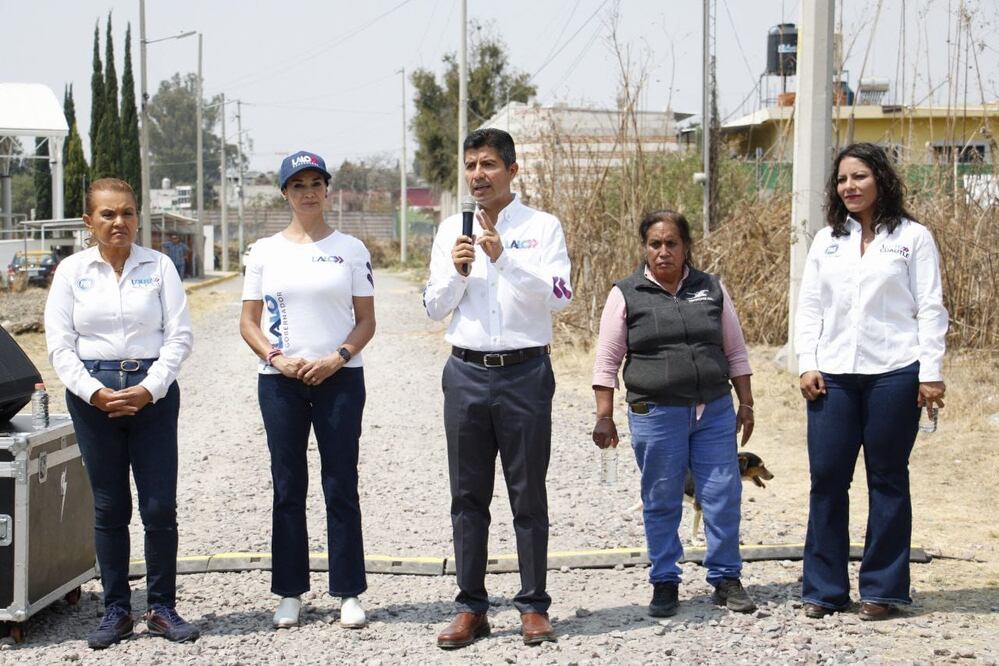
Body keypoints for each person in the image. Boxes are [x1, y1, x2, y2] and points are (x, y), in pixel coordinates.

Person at [424, 128, 572, 649]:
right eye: (470, 165)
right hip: (465, 372)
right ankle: (471, 607)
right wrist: (459, 270)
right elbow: (432, 307)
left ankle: (533, 605)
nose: (478, 175)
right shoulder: (449, 231)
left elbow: (560, 295)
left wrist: (505, 257)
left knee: (527, 493)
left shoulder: (542, 227)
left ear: (512, 170)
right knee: (467, 497)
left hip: (525, 374)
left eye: (488, 164)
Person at [794, 142, 947, 621]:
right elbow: (811, 307)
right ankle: (824, 589)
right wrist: (806, 362)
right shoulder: (826, 240)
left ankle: (883, 590)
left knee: (887, 480)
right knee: (827, 480)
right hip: (833, 376)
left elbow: (930, 306)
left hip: (895, 374)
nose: (849, 186)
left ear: (880, 179)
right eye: (842, 179)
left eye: (859, 176)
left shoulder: (913, 237)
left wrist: (931, 374)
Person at [44, 178, 198, 649]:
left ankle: (161, 607)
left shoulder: (160, 266)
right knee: (110, 507)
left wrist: (150, 389)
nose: (120, 223)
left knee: (158, 506)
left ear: (138, 217)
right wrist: (93, 392)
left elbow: (179, 336)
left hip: (153, 395)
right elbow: (59, 344)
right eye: (108, 214)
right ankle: (115, 609)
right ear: (89, 221)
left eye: (128, 213)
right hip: (94, 400)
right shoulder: (72, 272)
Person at [591, 209, 758, 618]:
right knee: (662, 497)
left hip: (714, 411)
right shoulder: (626, 293)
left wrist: (747, 403)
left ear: (686, 248)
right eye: (655, 244)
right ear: (645, 248)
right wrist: (604, 414)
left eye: (672, 244)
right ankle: (665, 580)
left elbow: (735, 351)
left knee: (722, 494)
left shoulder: (711, 288)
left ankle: (725, 577)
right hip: (655, 412)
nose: (663, 252)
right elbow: (607, 360)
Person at [239, 150, 375, 631]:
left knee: (340, 484)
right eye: (299, 185)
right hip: (281, 382)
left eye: (317, 183)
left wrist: (337, 357)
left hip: (339, 377)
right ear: (285, 194)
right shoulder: (263, 252)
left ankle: (349, 591)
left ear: (327, 189)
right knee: (287, 486)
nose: (309, 191)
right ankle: (290, 591)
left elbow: (366, 321)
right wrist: (276, 358)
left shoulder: (352, 249)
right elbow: (249, 322)